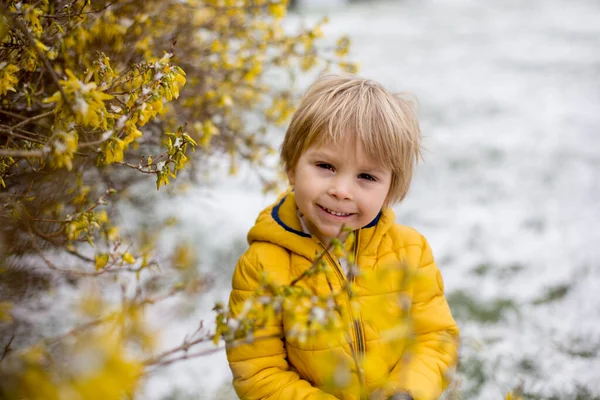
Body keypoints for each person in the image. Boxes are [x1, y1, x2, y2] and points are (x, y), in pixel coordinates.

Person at [225, 74, 459, 400]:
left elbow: (435, 338)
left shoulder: (410, 251)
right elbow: (258, 373)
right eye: (326, 166)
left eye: (366, 176)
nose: (341, 190)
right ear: (292, 168)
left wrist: (406, 393)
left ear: (390, 190)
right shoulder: (262, 266)